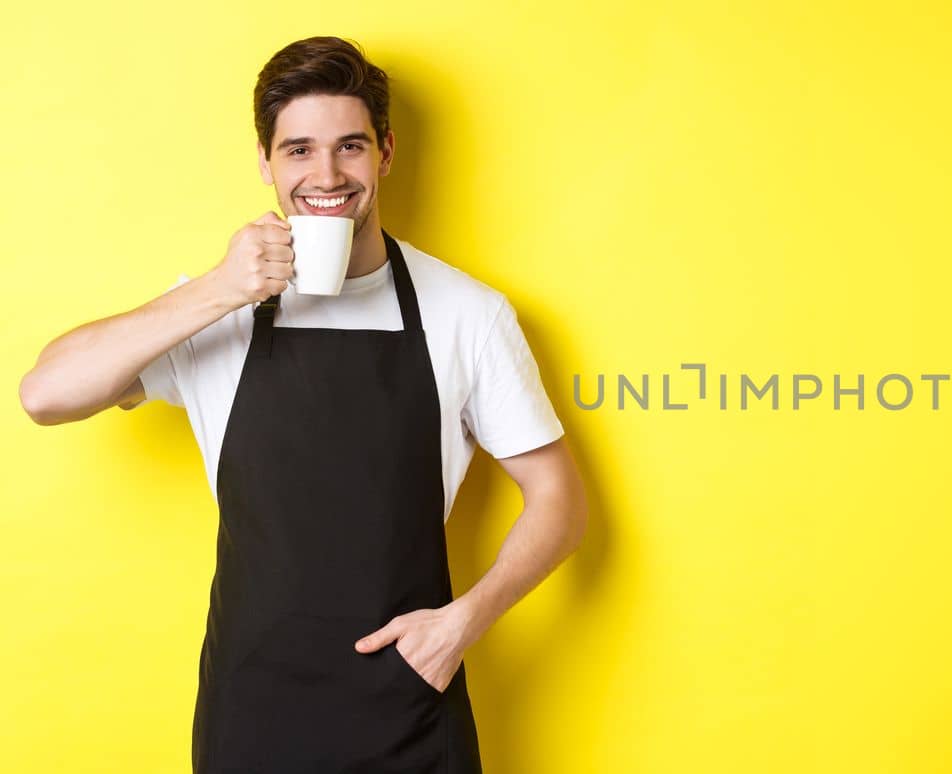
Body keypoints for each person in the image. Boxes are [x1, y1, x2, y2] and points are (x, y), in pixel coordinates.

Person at [17, 36, 588, 773]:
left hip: (409, 707)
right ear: (264, 162)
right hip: (251, 711)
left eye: (349, 147)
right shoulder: (214, 304)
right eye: (299, 151)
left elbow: (559, 500)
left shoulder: (465, 313)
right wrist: (222, 288)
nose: (326, 175)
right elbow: (45, 395)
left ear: (384, 152)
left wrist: (463, 624)